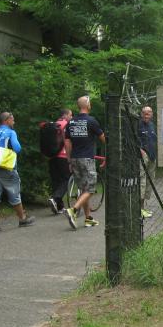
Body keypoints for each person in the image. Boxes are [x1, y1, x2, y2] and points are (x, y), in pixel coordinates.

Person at [0, 111, 35, 233]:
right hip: (7, 168)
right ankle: (22, 219)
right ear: (7, 120)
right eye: (12, 119)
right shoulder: (11, 132)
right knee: (15, 195)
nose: (14, 122)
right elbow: (17, 148)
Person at [64, 95, 106, 230]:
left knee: (83, 189)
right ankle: (73, 210)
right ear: (88, 105)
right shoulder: (91, 121)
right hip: (87, 159)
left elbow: (67, 142)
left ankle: (88, 218)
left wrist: (69, 160)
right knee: (90, 189)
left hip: (74, 158)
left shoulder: (71, 122)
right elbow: (103, 138)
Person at [46, 108, 73, 214]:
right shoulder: (67, 125)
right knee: (66, 179)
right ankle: (55, 198)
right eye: (70, 115)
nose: (71, 117)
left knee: (56, 181)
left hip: (51, 156)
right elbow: (68, 141)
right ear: (65, 115)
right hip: (63, 156)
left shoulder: (53, 125)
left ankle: (59, 207)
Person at [138, 105, 157, 218]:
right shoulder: (138, 124)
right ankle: (139, 208)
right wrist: (140, 150)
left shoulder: (152, 125)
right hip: (143, 155)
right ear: (142, 114)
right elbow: (135, 139)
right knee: (142, 180)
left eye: (148, 113)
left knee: (150, 181)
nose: (146, 115)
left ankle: (143, 207)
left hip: (152, 156)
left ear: (151, 114)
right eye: (144, 113)